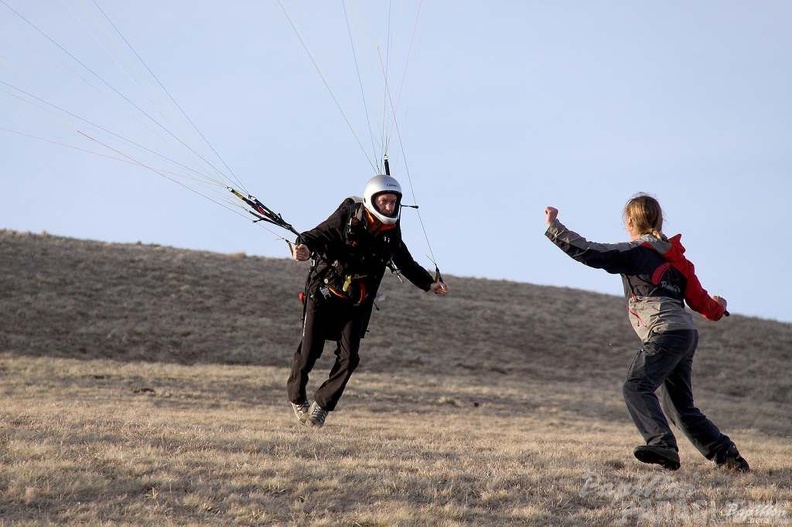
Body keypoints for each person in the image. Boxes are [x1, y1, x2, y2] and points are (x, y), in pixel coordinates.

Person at [543, 194, 749, 472]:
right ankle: (729, 459)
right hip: (685, 334)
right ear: (658, 220)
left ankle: (663, 445)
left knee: (635, 386)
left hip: (665, 333)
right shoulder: (677, 259)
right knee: (680, 408)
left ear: (630, 221)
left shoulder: (637, 251)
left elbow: (591, 252)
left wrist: (555, 226)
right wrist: (718, 307)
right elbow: (701, 303)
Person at [287, 174, 448, 428]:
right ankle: (297, 397)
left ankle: (322, 405)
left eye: (393, 202)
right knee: (309, 351)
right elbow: (314, 236)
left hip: (356, 300)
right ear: (372, 200)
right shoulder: (347, 217)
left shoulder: (390, 232)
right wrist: (302, 249)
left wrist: (429, 283)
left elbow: (404, 261)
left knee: (350, 359)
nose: (389, 207)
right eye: (384, 201)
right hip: (324, 293)